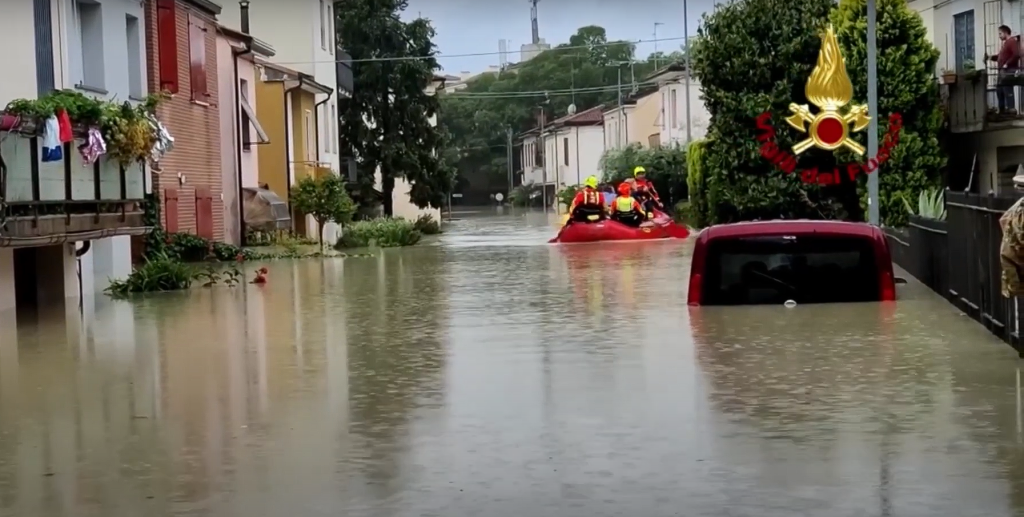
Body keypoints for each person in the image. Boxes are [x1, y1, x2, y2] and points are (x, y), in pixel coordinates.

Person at [988, 25, 1021, 115]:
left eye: (1000, 33)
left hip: (1008, 70)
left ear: (1005, 32)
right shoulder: (1006, 43)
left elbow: (1016, 54)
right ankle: (1002, 110)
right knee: (1000, 90)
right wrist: (991, 57)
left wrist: (1007, 64)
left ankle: (1011, 109)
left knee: (1007, 88)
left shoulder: (1011, 42)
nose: (999, 36)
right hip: (1002, 71)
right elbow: (1000, 56)